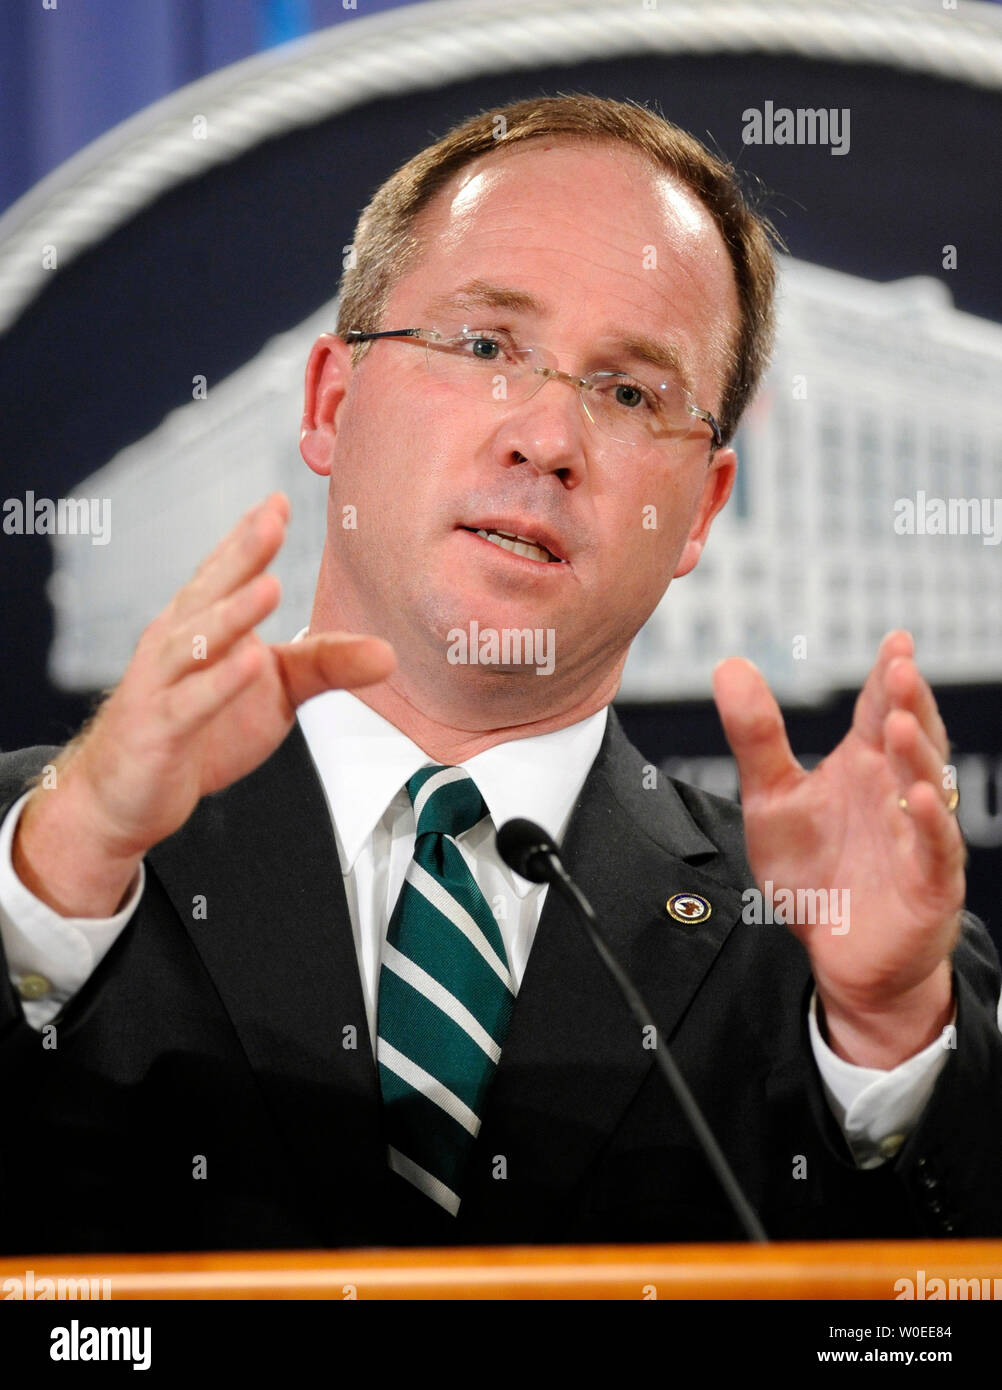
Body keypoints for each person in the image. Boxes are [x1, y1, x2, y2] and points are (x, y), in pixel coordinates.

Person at [1, 95, 999, 1256]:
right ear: (331, 405)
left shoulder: (836, 959)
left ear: (699, 512)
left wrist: (884, 1034)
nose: (548, 438)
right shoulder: (42, 853)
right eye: (484, 347)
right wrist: (56, 887)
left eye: (630, 391)